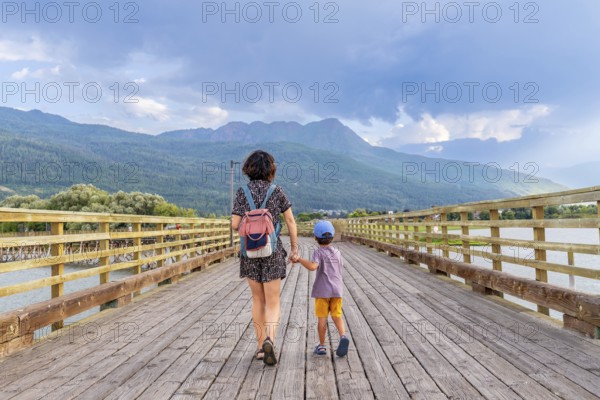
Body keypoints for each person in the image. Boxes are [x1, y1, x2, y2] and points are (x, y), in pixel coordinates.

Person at [231, 150, 298, 366]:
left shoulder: (242, 192)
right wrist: (295, 248)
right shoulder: (277, 191)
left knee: (257, 300)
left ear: (248, 169)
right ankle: (270, 338)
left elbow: (234, 225)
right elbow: (290, 221)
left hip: (250, 253)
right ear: (270, 169)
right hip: (272, 252)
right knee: (273, 301)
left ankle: (260, 348)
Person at [291, 220, 350, 357]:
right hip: (337, 291)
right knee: (337, 316)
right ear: (333, 236)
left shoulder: (318, 253)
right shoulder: (337, 252)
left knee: (322, 319)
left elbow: (313, 267)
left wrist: (299, 259)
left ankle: (322, 346)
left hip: (322, 292)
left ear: (315, 237)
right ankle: (343, 336)